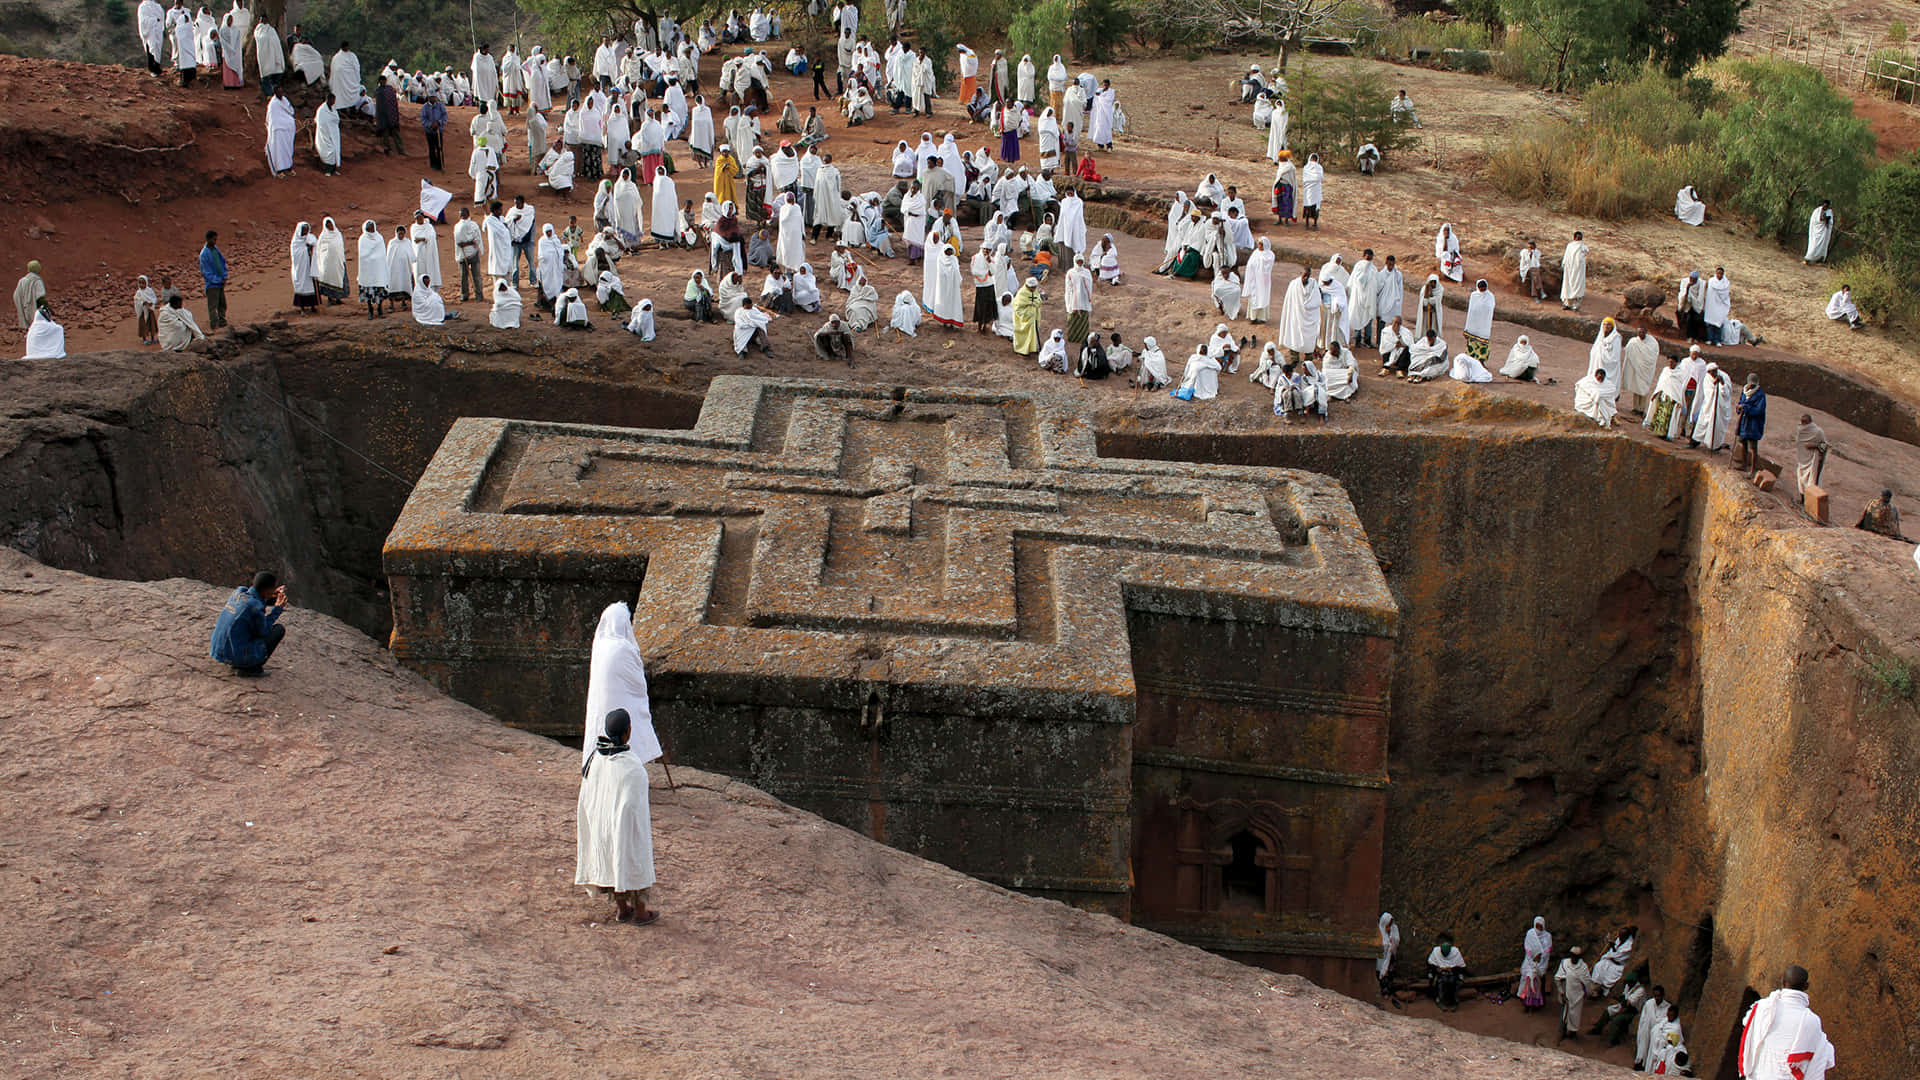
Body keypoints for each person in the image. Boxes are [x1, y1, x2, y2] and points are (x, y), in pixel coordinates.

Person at [575, 680, 661, 925]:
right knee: (632, 859)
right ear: (627, 732)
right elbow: (636, 806)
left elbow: (589, 793)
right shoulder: (631, 766)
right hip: (624, 825)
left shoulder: (595, 759)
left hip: (603, 824)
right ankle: (641, 912)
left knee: (612, 863)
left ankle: (622, 909)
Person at [1737, 965, 1835, 1080]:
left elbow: (1747, 1025)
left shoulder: (1762, 1008)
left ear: (1783, 983)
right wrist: (1823, 1046)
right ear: (1806, 986)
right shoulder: (1810, 1020)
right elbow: (1824, 1056)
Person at [209, 571, 288, 676]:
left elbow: (253, 601)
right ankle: (251, 668)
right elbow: (264, 631)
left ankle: (239, 661)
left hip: (218, 651)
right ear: (265, 590)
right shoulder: (255, 608)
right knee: (278, 630)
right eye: (272, 588)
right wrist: (277, 609)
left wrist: (271, 596)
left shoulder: (239, 592)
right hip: (235, 656)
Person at [1690, 363, 1733, 451]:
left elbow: (1727, 394)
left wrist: (1722, 384)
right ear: (1708, 372)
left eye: (1715, 371)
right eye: (1712, 372)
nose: (1714, 374)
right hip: (1709, 406)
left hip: (1720, 407)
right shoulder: (1706, 378)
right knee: (1702, 424)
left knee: (1717, 427)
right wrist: (1713, 388)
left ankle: (1715, 446)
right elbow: (1707, 392)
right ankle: (1695, 442)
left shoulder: (1724, 376)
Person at [1732, 373, 1767, 469]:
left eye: (1753, 384)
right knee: (1743, 442)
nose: (1751, 385)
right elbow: (1740, 402)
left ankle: (1753, 469)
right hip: (1744, 422)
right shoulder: (1744, 391)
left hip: (1753, 424)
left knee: (1753, 447)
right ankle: (1744, 464)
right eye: (1750, 383)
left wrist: (1745, 407)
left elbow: (1759, 410)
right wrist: (1739, 408)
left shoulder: (1760, 395)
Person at [1622, 326, 1660, 413]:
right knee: (1636, 387)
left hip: (1646, 370)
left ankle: (1642, 409)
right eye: (1639, 332)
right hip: (1637, 368)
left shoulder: (1652, 343)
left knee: (1644, 387)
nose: (1641, 334)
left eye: (1643, 332)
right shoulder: (1633, 342)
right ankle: (1635, 407)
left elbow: (1653, 356)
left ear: (1646, 332)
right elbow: (1628, 351)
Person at [1555, 946, 1590, 1040]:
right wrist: (1561, 992)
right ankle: (1562, 1032)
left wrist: (1587, 993)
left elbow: (1587, 982)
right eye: (1572, 956)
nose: (1574, 958)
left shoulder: (1583, 967)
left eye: (1576, 956)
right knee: (1564, 1014)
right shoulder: (1564, 963)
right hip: (1566, 993)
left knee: (1575, 1015)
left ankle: (1573, 1033)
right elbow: (1558, 978)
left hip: (1577, 995)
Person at [356, 220, 389, 318]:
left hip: (378, 270)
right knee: (368, 291)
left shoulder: (379, 238)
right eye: (369, 228)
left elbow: (382, 254)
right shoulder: (362, 239)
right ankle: (370, 310)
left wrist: (376, 258)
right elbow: (362, 255)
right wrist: (372, 258)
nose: (371, 229)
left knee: (379, 289)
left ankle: (380, 309)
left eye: (372, 227)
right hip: (367, 270)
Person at [1590, 927, 1636, 996]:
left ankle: (1603, 989)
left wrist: (1613, 947)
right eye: (1619, 935)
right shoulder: (1619, 939)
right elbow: (1612, 952)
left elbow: (1619, 956)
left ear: (1626, 936)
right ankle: (1596, 986)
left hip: (1619, 965)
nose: (1619, 937)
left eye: (1622, 936)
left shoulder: (1629, 945)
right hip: (1610, 961)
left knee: (1611, 974)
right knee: (1599, 966)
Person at [1519, 917, 1552, 1013]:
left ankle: (1535, 1004)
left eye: (1540, 926)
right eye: (1537, 926)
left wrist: (1539, 959)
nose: (1538, 928)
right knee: (1528, 980)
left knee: (1537, 982)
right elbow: (1528, 949)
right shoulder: (1530, 934)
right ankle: (1526, 1003)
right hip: (1529, 962)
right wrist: (1532, 960)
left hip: (1541, 962)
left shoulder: (1547, 936)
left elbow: (1546, 951)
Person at [1426, 934, 1466, 1011]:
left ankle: (1453, 1001)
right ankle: (1440, 1000)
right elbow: (1431, 964)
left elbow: (1461, 967)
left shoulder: (1455, 952)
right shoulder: (1436, 951)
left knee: (1452, 981)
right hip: (1440, 974)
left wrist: (1452, 969)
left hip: (1452, 973)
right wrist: (1438, 969)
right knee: (1442, 981)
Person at [452, 207, 484, 302]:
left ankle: (479, 294)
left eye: (464, 214)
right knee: (463, 276)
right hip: (462, 254)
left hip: (473, 253)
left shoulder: (473, 225)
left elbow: (476, 239)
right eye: (460, 214)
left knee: (476, 275)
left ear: (468, 214)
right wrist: (466, 243)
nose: (462, 216)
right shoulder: (457, 226)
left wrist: (466, 243)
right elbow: (457, 241)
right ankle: (464, 294)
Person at [1635, 985, 1670, 1069]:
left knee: (1652, 1053)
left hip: (1657, 1034)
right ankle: (1640, 1063)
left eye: (1659, 996)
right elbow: (1643, 1020)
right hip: (1646, 1031)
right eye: (1655, 996)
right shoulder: (1649, 1004)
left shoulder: (1668, 1007)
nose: (1657, 998)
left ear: (1663, 995)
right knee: (1643, 1049)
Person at [1793, 414, 1828, 498]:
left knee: (1811, 478)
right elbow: (1800, 443)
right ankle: (1803, 498)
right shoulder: (1801, 430)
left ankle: (1809, 499)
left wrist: (1813, 446)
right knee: (1802, 477)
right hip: (1802, 458)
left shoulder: (1818, 432)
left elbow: (1823, 446)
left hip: (1813, 459)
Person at [199, 230, 228, 329]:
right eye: (214, 239)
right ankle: (214, 325)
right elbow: (206, 273)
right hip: (212, 284)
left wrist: (224, 276)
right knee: (213, 306)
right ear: (208, 239)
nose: (215, 241)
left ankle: (222, 321)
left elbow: (222, 262)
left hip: (220, 282)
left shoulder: (215, 249)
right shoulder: (204, 254)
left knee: (222, 304)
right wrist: (217, 280)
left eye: (216, 239)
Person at [265, 89, 297, 175]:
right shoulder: (273, 104)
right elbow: (272, 118)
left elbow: (290, 111)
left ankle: (288, 167)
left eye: (282, 91)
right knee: (279, 149)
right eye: (279, 92)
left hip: (287, 129)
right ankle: (280, 170)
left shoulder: (285, 100)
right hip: (278, 130)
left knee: (288, 149)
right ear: (275, 93)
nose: (281, 93)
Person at [1462, 278, 1493, 363]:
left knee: (1483, 344)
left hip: (1484, 324)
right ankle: (1470, 360)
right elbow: (1470, 311)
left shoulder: (1490, 296)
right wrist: (1467, 327)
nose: (1482, 291)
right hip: (1473, 324)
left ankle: (1481, 361)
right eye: (1480, 289)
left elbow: (1490, 309)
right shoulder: (1474, 295)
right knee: (1472, 343)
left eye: (1483, 289)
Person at [13, 260, 47, 330]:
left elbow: (16, 296)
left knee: (28, 327)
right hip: (34, 309)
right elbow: (40, 297)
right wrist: (45, 308)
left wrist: (21, 305)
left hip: (24, 307)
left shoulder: (22, 280)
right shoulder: (37, 281)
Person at [1703, 267, 1731, 346]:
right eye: (1718, 273)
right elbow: (1710, 293)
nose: (1719, 275)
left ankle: (1717, 340)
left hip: (1720, 305)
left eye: (1721, 273)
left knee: (1719, 323)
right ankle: (1709, 339)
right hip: (1711, 304)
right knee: (1710, 322)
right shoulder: (1711, 281)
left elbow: (1725, 294)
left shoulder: (1726, 283)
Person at [1560, 231, 1588, 312]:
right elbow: (1566, 256)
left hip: (1579, 271)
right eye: (1577, 237)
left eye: (1580, 238)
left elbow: (1585, 254)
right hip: (1569, 269)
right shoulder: (1570, 246)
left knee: (1578, 287)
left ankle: (1576, 305)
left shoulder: (1583, 247)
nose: (1578, 239)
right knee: (1567, 286)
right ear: (1574, 238)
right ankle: (1567, 304)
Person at [1377, 913, 1401, 1003]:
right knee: (1382, 973)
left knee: (1390, 973)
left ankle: (1388, 991)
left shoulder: (1393, 929)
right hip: (1382, 957)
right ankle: (1382, 990)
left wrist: (1392, 941)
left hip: (1391, 955)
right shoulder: (1380, 930)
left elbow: (1396, 940)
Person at [421, 94, 449, 171]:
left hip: (438, 130)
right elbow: (423, 119)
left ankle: (441, 164)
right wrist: (430, 124)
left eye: (434, 97)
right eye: (431, 97)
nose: (433, 99)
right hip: (429, 131)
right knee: (431, 148)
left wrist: (439, 122)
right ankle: (433, 164)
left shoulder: (440, 106)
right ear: (428, 98)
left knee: (439, 147)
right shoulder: (425, 107)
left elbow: (445, 116)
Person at [1805, 199, 1833, 265]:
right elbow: (1816, 220)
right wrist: (1824, 219)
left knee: (1823, 245)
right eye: (1824, 206)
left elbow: (1831, 221)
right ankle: (1808, 258)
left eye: (1826, 206)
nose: (1825, 207)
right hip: (1816, 231)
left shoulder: (1829, 212)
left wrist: (1827, 220)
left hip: (1824, 232)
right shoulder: (1817, 211)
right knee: (1814, 245)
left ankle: (1820, 259)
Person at [134, 275, 159, 344]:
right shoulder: (138, 292)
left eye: (143, 283)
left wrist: (151, 303)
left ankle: (152, 338)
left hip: (149, 310)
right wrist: (142, 303)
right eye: (140, 283)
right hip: (142, 311)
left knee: (151, 324)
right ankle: (144, 339)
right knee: (143, 325)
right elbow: (136, 300)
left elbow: (154, 298)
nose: (141, 285)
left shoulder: (149, 291)